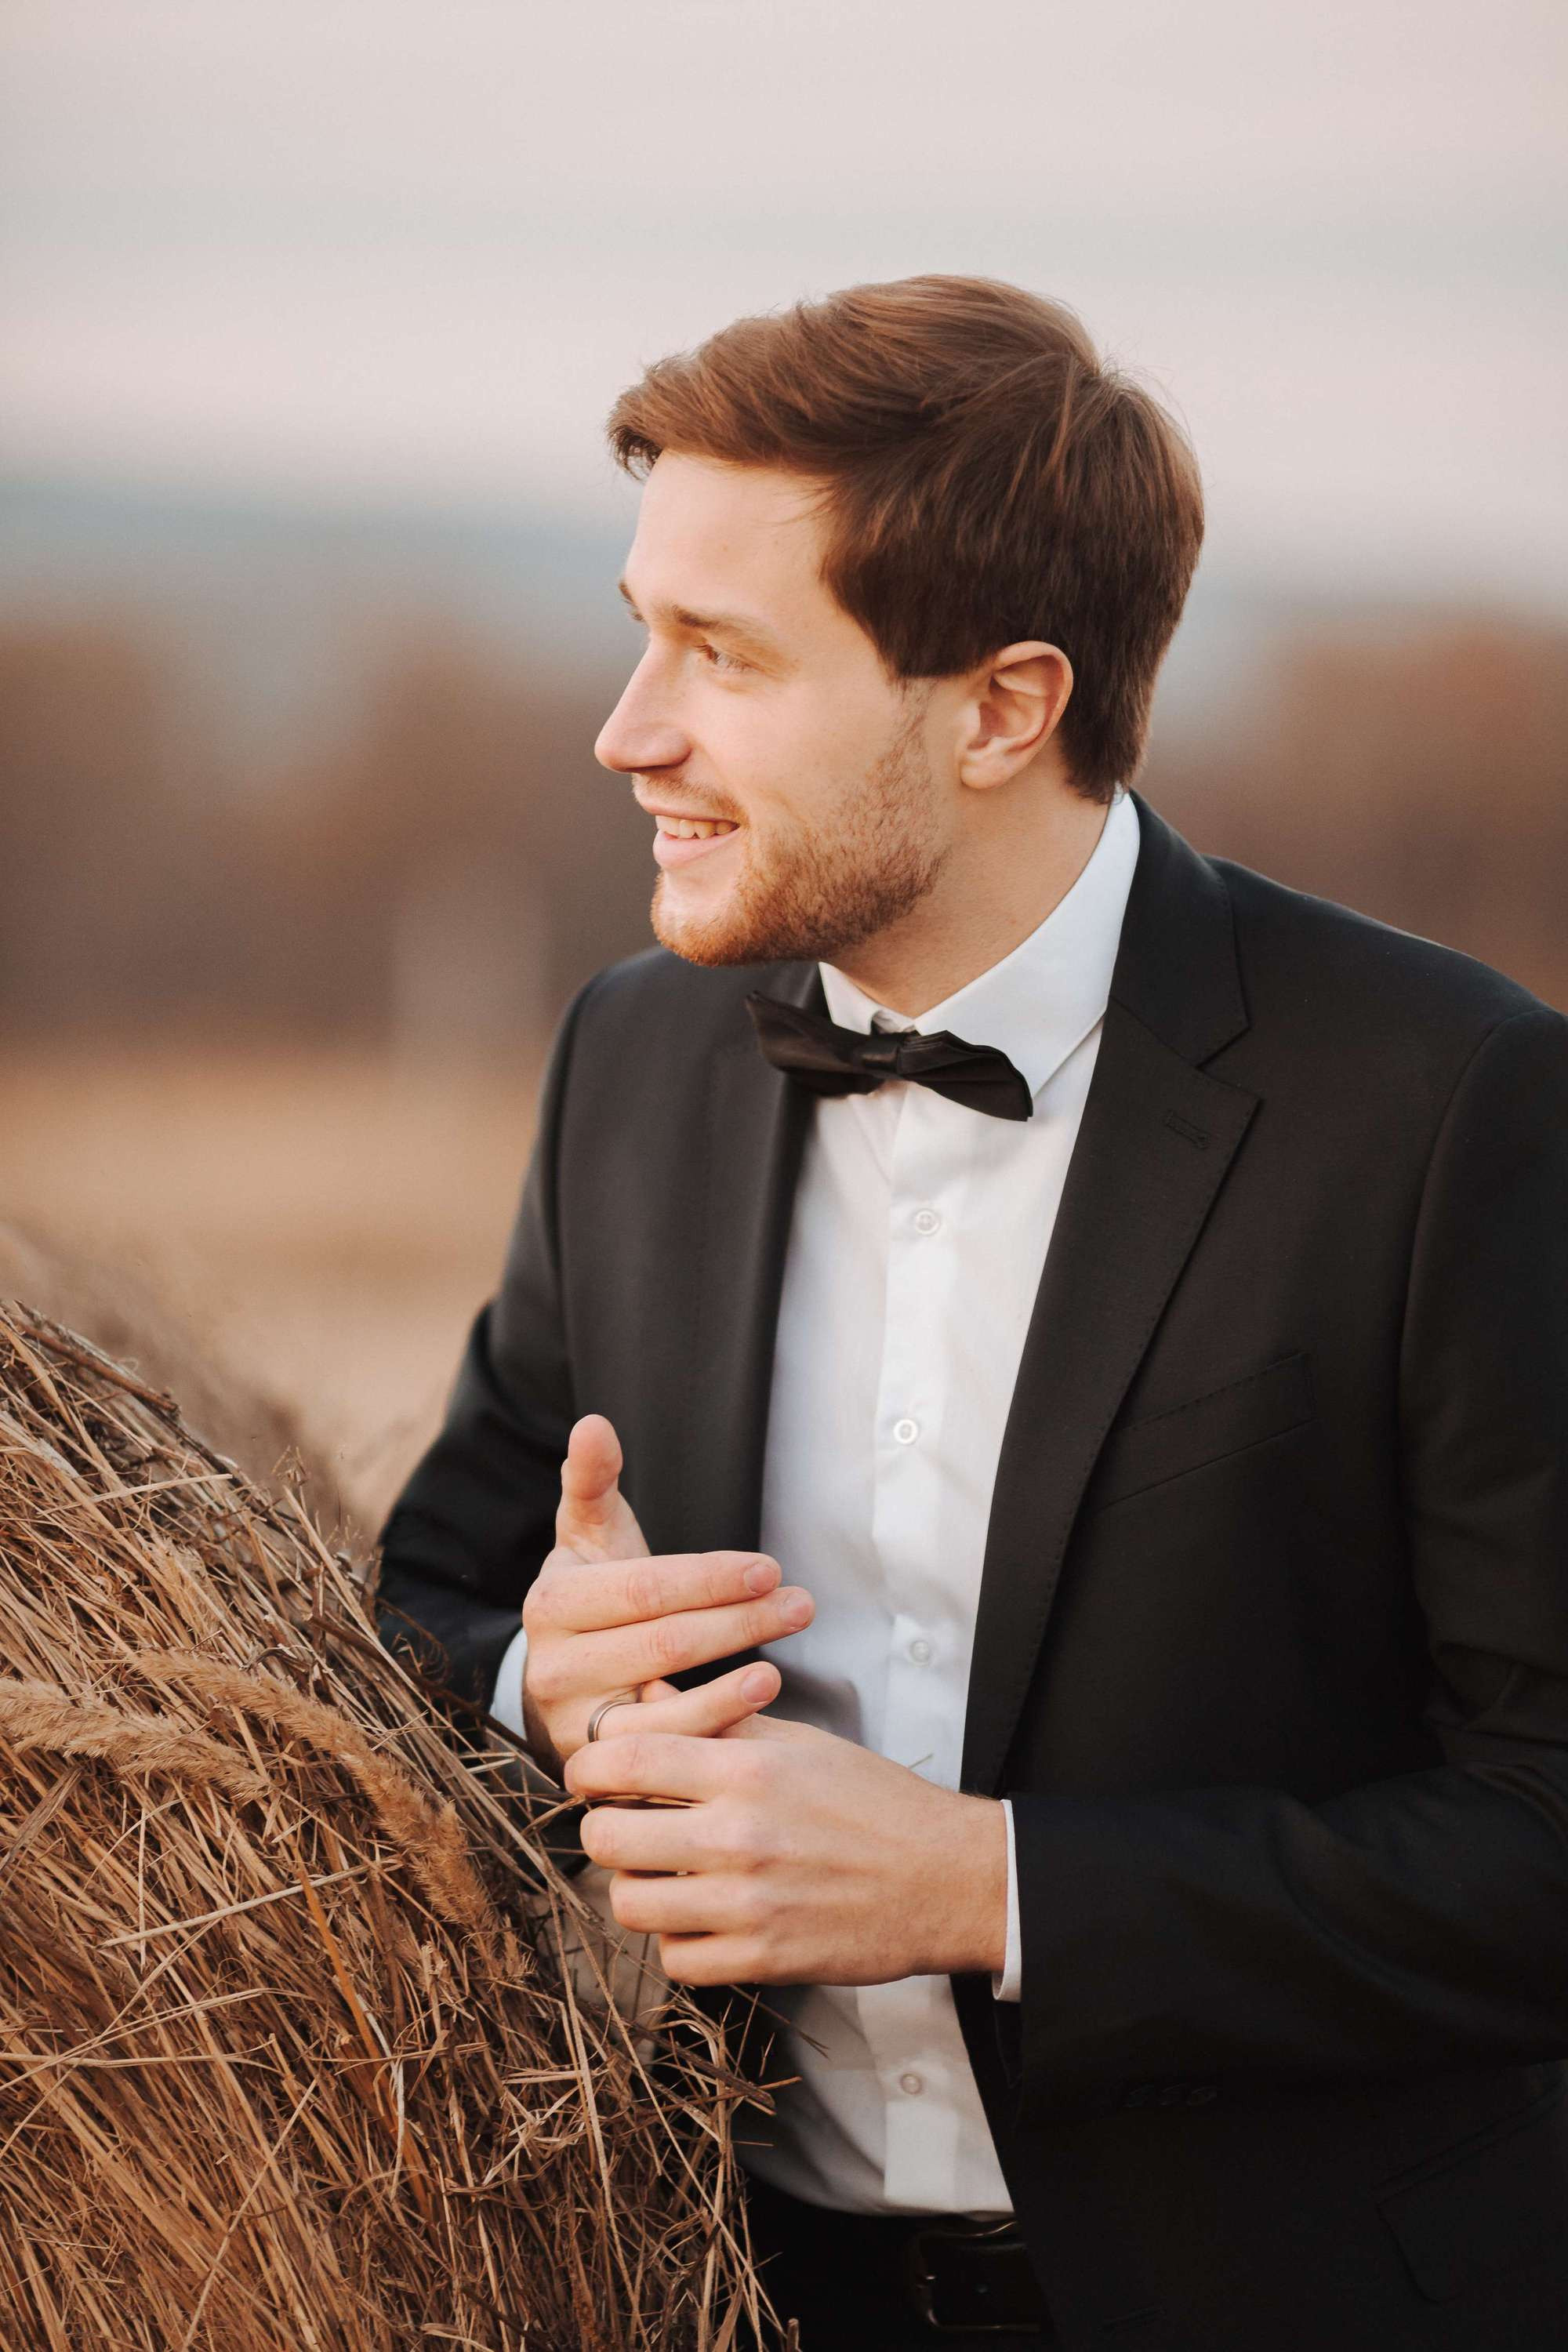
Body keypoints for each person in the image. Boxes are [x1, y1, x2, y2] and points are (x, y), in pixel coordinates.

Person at [376, 274, 1568, 2350]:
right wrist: (535, 1692)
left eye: (722, 656)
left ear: (1002, 706)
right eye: (641, 628)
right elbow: (426, 1607)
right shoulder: (627, 1065)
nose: (627, 727)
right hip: (749, 2299)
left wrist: (990, 1892)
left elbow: (1546, 1834)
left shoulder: (1453, 1106)